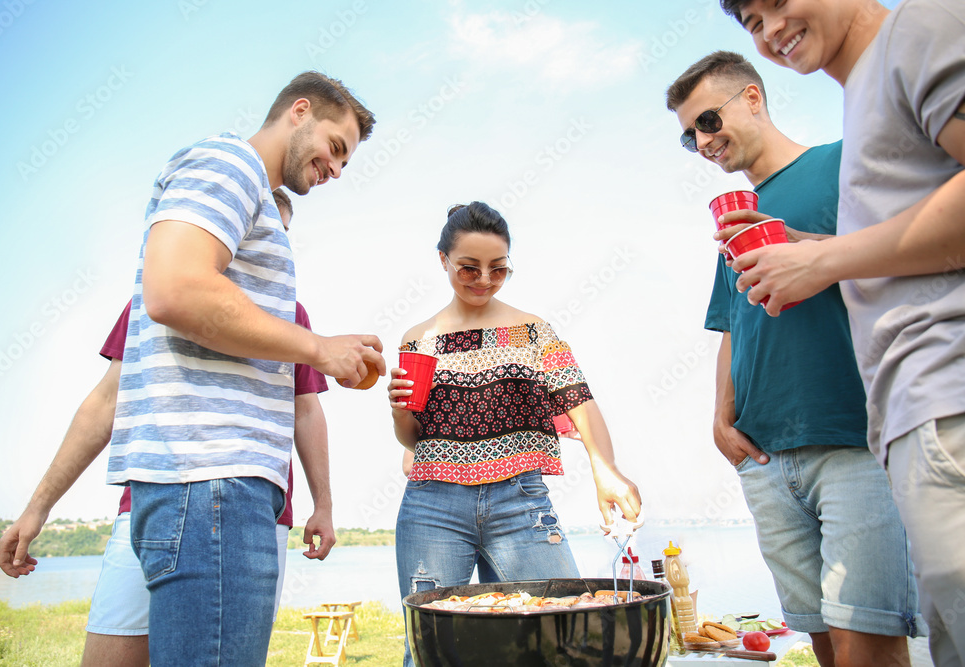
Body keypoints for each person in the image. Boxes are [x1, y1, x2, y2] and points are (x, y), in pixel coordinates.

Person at [108, 68, 383, 666]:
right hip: (214, 487)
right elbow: (175, 289)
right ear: (300, 111)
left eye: (346, 162)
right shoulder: (229, 164)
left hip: (215, 491)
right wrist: (318, 349)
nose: (337, 169)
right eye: (336, 148)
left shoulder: (246, 188)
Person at [718, 1, 965, 663]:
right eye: (749, 19)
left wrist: (822, 260)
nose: (769, 28)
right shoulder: (865, 100)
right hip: (910, 419)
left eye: (776, 3)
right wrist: (812, 248)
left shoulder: (924, 27)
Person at [0, 192, 335, 667]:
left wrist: (323, 502)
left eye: (274, 235)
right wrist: (37, 508)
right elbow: (105, 402)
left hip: (251, 513)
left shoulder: (292, 316)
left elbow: (306, 412)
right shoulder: (155, 298)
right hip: (145, 506)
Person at [665, 51, 922, 667]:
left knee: (870, 643)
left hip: (852, 440)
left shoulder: (841, 164)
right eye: (687, 136)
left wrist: (803, 247)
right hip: (764, 457)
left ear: (752, 98)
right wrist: (720, 419)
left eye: (706, 119)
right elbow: (731, 324)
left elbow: (912, 253)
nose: (702, 141)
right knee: (825, 646)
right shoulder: (735, 224)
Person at [387, 201, 641, 666]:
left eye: (498, 269)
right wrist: (398, 409)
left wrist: (608, 472)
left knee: (564, 637)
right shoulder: (416, 339)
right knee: (431, 651)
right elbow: (413, 439)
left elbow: (579, 402)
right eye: (468, 268)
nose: (483, 279)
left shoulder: (532, 331)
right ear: (442, 259)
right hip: (432, 505)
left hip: (518, 501)